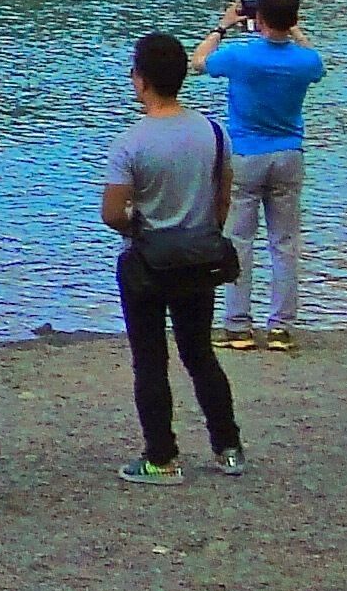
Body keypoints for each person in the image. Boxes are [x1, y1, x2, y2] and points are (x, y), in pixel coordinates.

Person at [101, 33, 246, 484]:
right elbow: (223, 196)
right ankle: (228, 446)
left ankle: (161, 456)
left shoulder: (130, 144)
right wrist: (204, 229)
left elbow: (112, 213)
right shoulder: (213, 133)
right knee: (199, 352)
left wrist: (138, 226)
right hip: (197, 257)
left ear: (141, 81)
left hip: (146, 261)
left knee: (150, 358)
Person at [198, 0, 323, 352]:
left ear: (259, 19)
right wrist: (295, 30)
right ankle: (281, 327)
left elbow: (199, 61)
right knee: (284, 243)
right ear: (294, 19)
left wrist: (223, 26)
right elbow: (314, 59)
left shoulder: (241, 56)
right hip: (289, 155)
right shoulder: (306, 63)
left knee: (240, 241)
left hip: (247, 156)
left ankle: (238, 326)